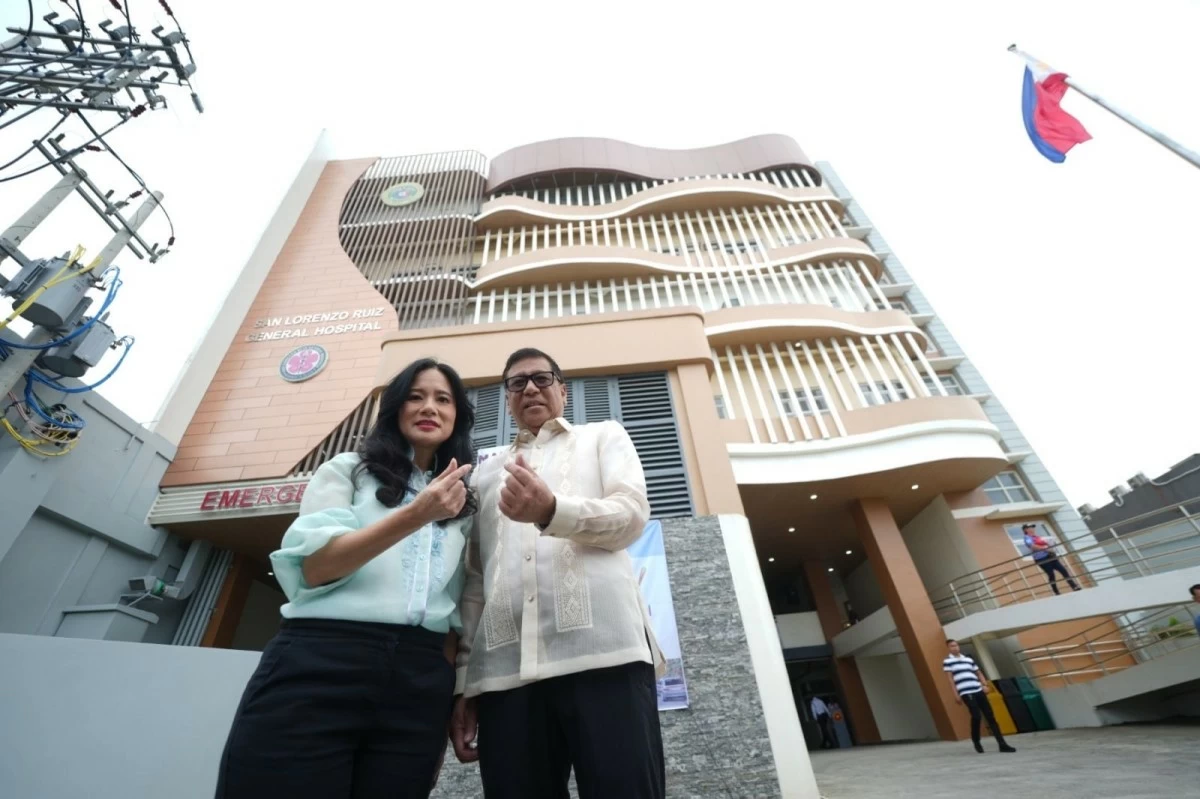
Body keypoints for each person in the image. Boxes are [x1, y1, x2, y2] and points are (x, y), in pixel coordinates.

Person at [215, 358, 477, 799]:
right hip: (323, 657)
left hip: (420, 676)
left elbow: (451, 611)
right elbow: (316, 568)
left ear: (457, 416)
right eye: (415, 396)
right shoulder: (349, 469)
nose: (429, 407)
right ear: (395, 408)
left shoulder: (460, 503)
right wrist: (416, 515)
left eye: (443, 399)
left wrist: (445, 698)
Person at [449, 347, 665, 799]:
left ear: (562, 390)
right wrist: (465, 682)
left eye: (542, 378)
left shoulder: (603, 436)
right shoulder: (485, 475)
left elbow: (631, 516)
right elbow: (475, 580)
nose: (530, 388)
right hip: (504, 674)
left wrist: (551, 510)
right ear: (507, 399)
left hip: (606, 657)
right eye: (517, 382)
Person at [943, 639, 1016, 754]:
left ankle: (1002, 744)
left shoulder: (968, 659)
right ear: (948, 648)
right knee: (976, 716)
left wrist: (985, 685)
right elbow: (950, 679)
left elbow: (979, 673)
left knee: (990, 716)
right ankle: (976, 740)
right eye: (952, 646)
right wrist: (956, 694)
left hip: (978, 689)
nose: (955, 648)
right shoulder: (948, 661)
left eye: (956, 645)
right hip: (965, 692)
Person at [1023, 522, 1080, 595]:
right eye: (1030, 527)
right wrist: (1045, 548)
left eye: (1033, 527)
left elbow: (1046, 544)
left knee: (1063, 570)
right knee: (1051, 574)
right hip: (1041, 559)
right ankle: (1056, 591)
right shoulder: (1027, 538)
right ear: (1026, 530)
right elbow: (1032, 546)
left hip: (1050, 556)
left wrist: (1050, 547)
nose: (1032, 529)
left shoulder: (1037, 537)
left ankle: (1074, 586)